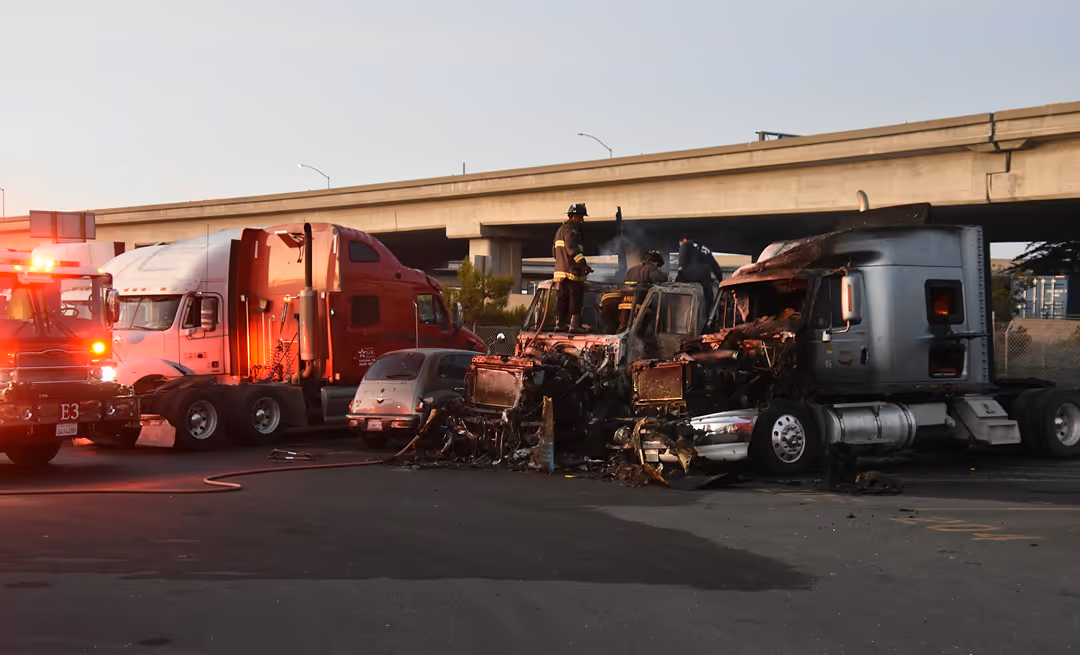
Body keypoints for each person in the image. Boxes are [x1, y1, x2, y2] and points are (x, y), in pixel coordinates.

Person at [552, 203, 593, 332]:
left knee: (562, 298)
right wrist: (583, 264)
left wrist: (562, 263)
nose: (582, 220)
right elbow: (572, 248)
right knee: (575, 297)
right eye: (581, 217)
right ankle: (575, 325)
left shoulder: (560, 230)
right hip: (572, 271)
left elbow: (554, 252)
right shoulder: (572, 230)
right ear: (574, 216)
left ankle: (559, 324)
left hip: (561, 271)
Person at [617, 250, 667, 332]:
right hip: (641, 303)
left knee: (624, 326)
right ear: (655, 262)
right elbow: (663, 279)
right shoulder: (651, 269)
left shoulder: (631, 269)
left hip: (625, 303)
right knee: (640, 329)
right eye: (657, 265)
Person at [675, 237, 724, 311]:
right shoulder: (705, 249)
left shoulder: (685, 244)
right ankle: (708, 313)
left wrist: (678, 278)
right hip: (705, 277)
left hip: (689, 275)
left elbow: (681, 265)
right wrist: (720, 280)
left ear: (684, 239)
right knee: (709, 295)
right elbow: (716, 268)